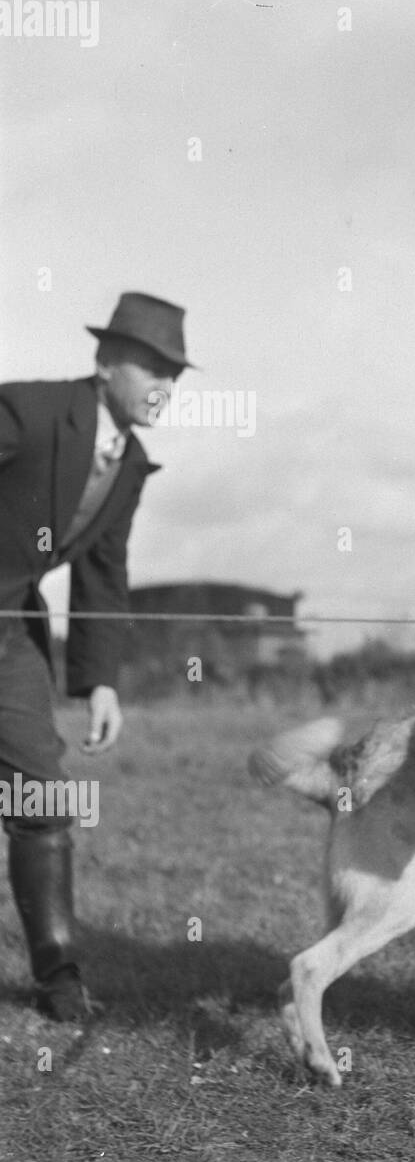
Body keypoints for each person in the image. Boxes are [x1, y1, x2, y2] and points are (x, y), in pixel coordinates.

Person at [1, 292, 192, 1020]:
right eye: (152, 367)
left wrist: (101, 682)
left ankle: (58, 976)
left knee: (40, 795)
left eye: (175, 374)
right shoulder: (29, 410)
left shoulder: (132, 464)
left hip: (9, 636)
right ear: (105, 361)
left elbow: (102, 574)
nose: (164, 386)